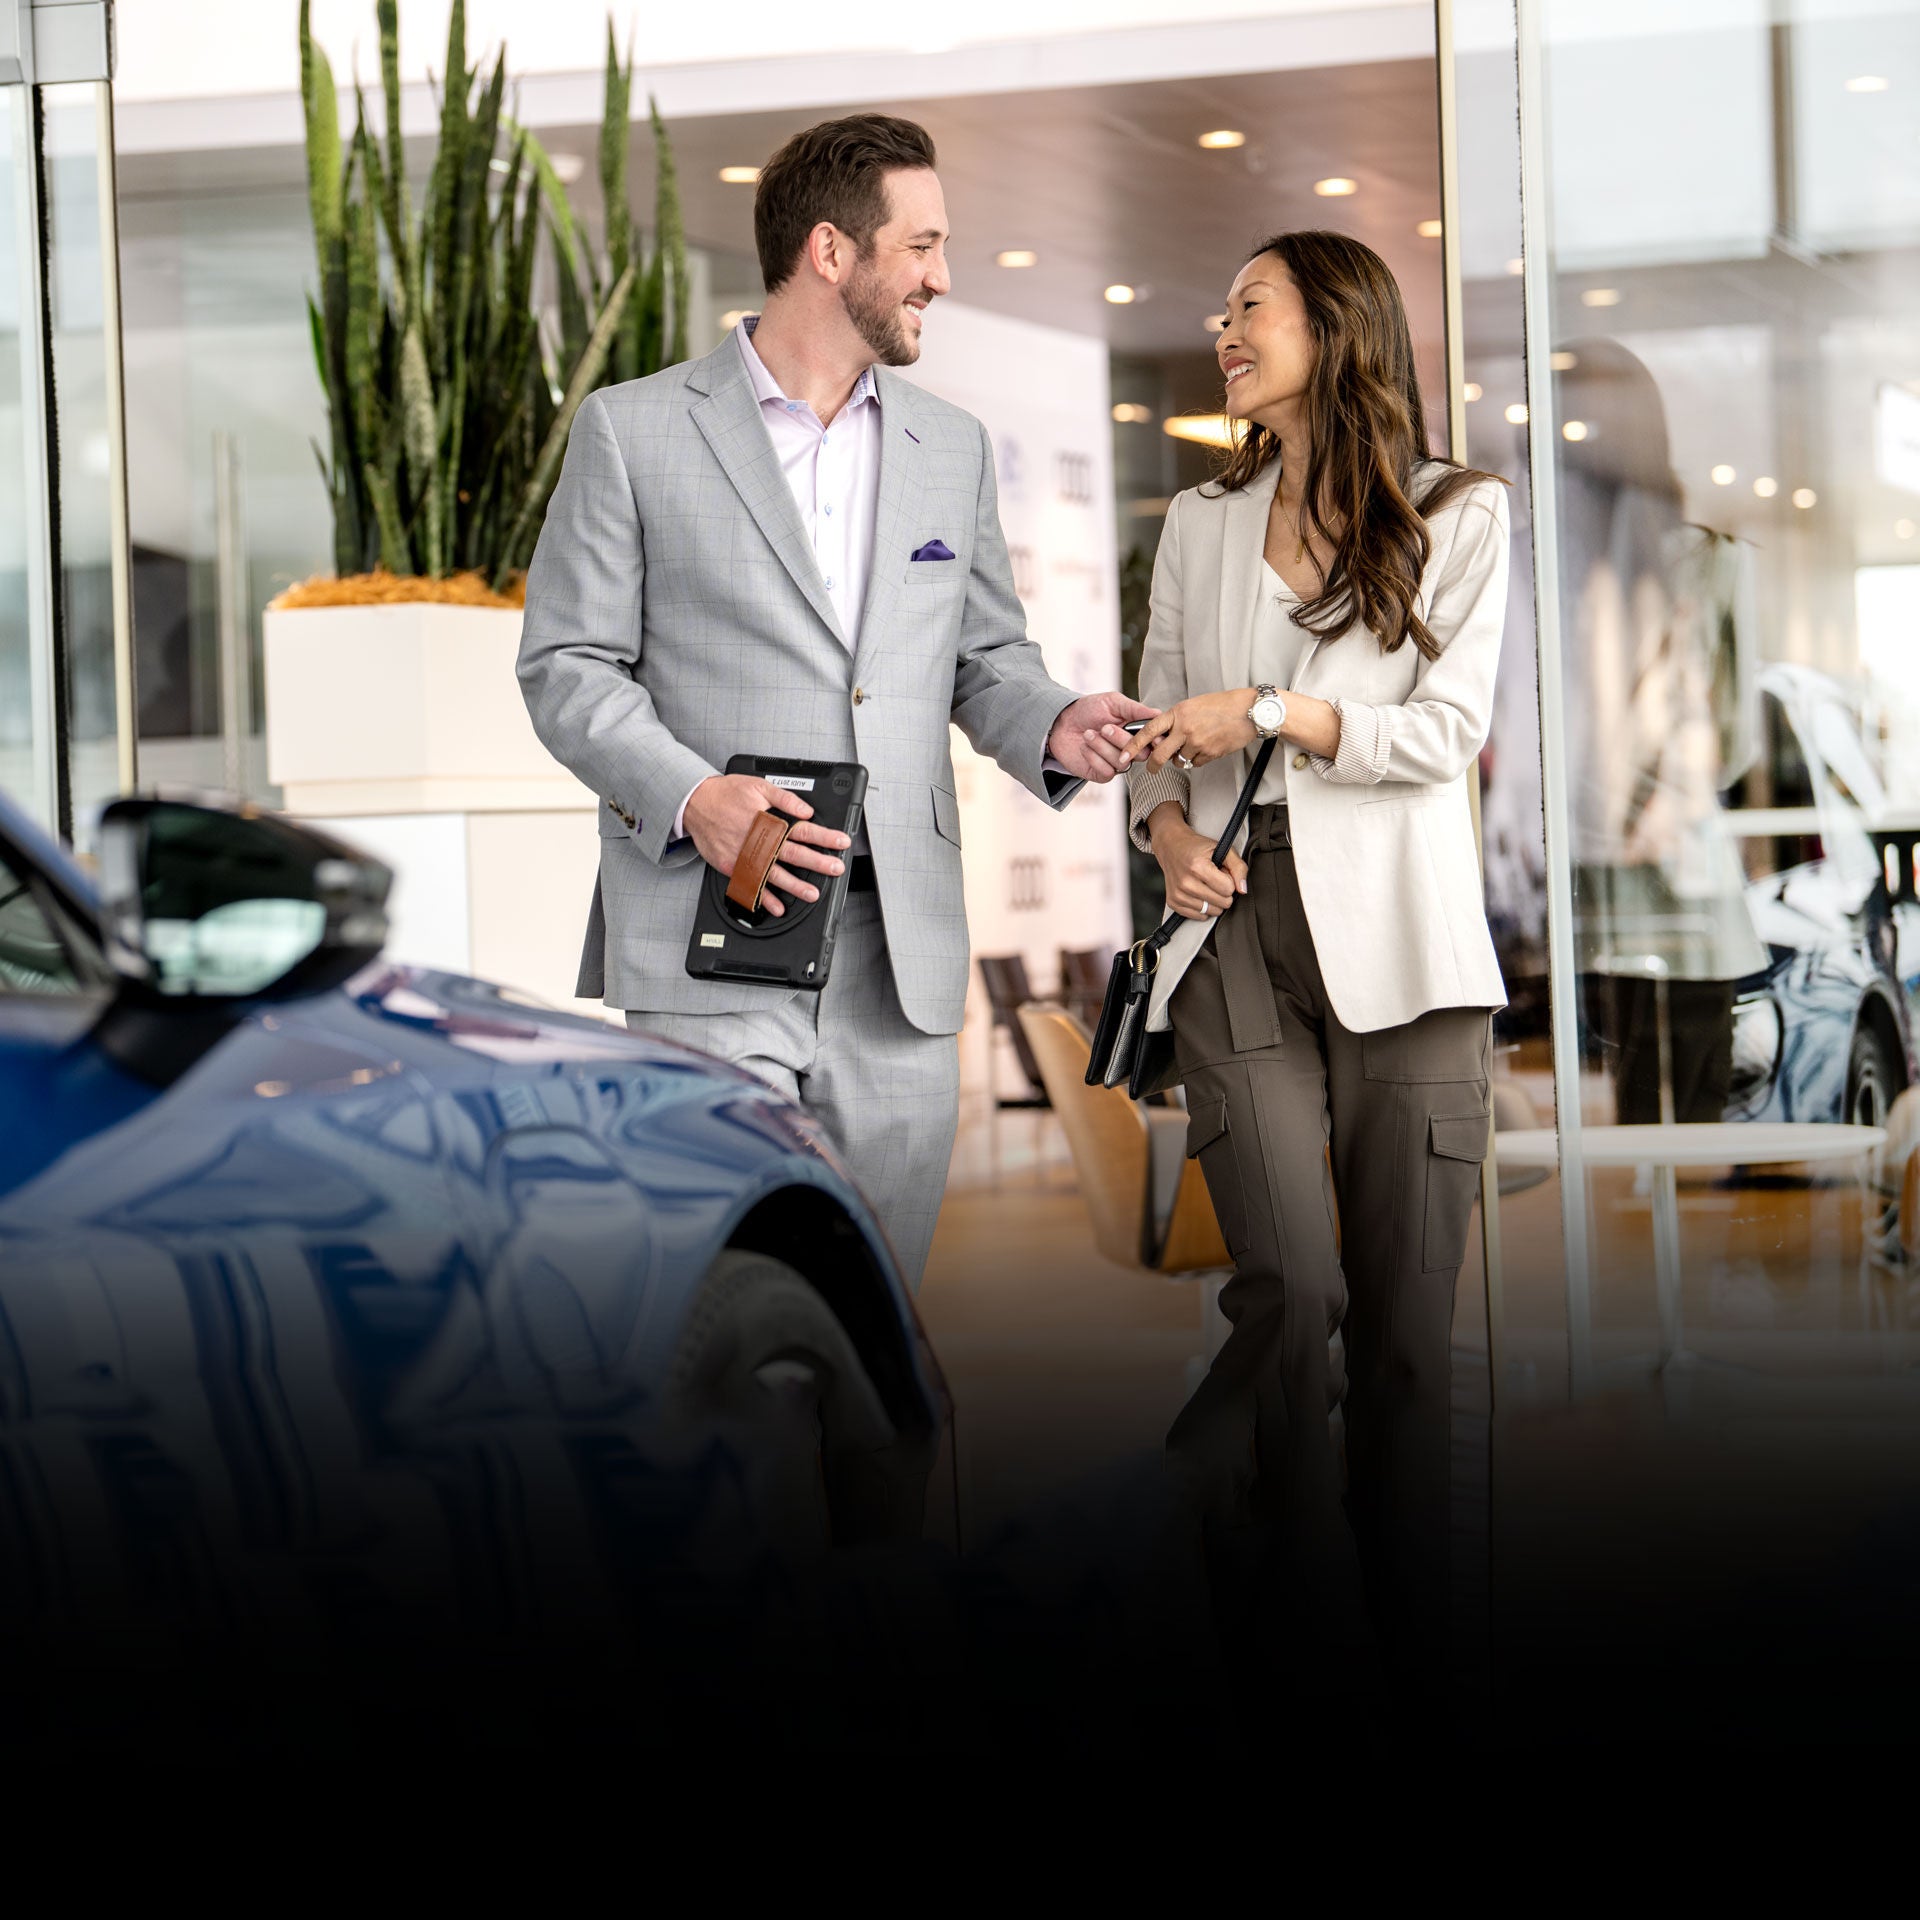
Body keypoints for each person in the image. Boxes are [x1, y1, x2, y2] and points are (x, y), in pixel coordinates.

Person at [517, 114, 1149, 1287]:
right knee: (727, 1295)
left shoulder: (949, 446)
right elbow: (567, 665)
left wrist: (1051, 722)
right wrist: (693, 797)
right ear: (829, 251)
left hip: (893, 959)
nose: (941, 277)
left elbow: (980, 656)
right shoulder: (633, 430)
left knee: (877, 1310)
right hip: (709, 939)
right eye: (922, 246)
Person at [1125, 230, 1508, 1722]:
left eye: (1251, 306)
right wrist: (1167, 835)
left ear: (1336, 325)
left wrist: (1276, 712)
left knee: (1406, 1338)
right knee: (1290, 1296)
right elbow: (1160, 728)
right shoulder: (1201, 519)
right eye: (1221, 309)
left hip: (1407, 943)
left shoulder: (1459, 510)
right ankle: (1283, 1650)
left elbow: (1448, 731)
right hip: (1232, 930)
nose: (1223, 327)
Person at [1555, 338, 1765, 1125]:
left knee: (1682, 1120)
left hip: (1671, 877)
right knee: (1633, 1121)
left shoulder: (1707, 564)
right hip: (1601, 883)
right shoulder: (1542, 566)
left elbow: (1734, 739)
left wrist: (1660, 789)